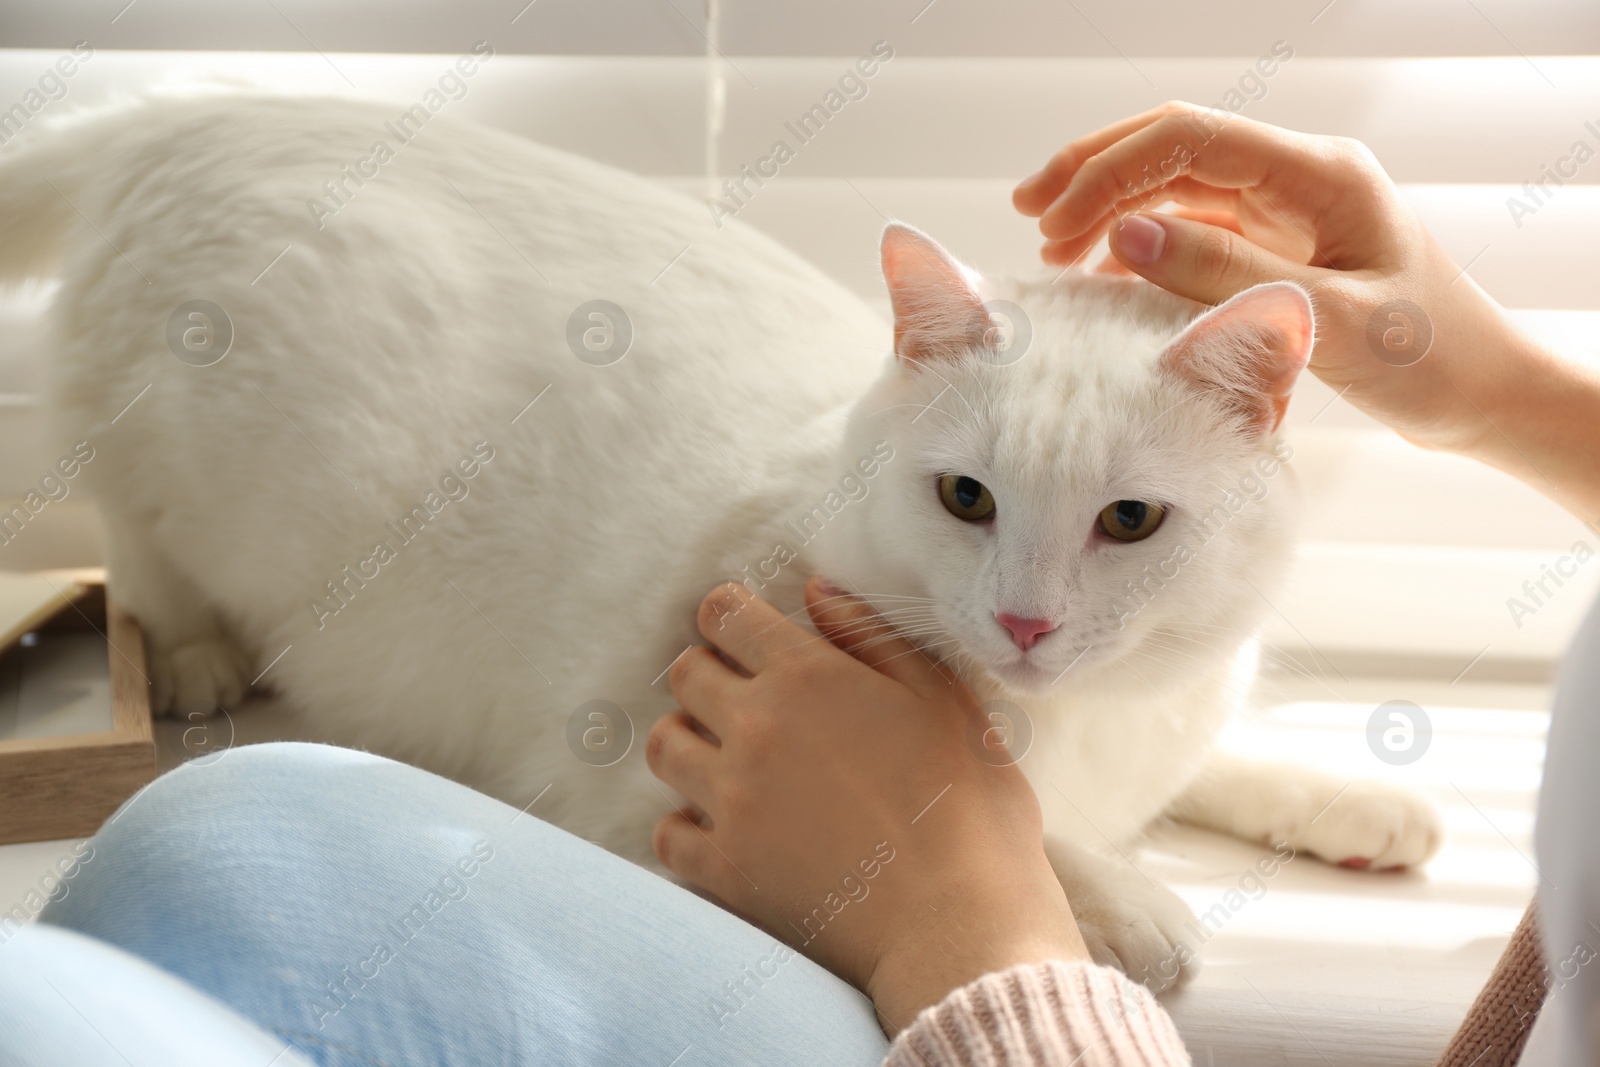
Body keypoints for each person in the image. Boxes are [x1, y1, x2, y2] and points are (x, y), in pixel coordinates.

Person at [5, 101, 1596, 1067]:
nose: (1030, 612)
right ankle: (164, 559)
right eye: (965, 500)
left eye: (1129, 526)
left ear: (1263, 427)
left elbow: (754, 829)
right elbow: (655, 780)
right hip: (285, 261)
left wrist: (1011, 899)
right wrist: (1519, 393)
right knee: (205, 818)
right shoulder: (809, 571)